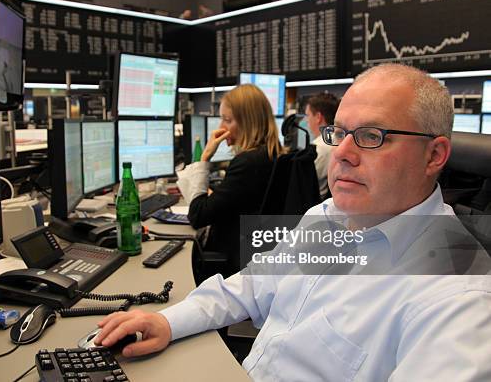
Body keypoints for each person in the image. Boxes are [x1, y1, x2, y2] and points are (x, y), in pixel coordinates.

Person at [95, 64, 491, 380]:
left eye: (372, 136)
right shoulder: (326, 217)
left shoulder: (460, 299)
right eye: (339, 133)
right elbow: (249, 288)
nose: (342, 154)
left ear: (434, 155)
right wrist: (167, 320)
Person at [176, 84, 282, 277]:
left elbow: (198, 216)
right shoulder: (273, 154)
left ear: (247, 122)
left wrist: (205, 158)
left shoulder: (248, 162)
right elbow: (238, 200)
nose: (221, 128)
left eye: (227, 120)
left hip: (233, 266)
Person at [303, 93, 339, 198]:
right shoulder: (339, 141)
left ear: (318, 117)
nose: (306, 120)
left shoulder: (317, 148)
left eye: (308, 115)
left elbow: (301, 182)